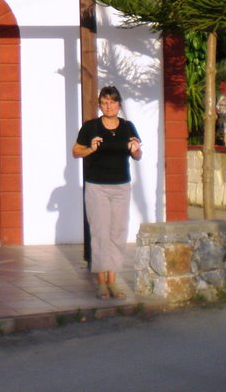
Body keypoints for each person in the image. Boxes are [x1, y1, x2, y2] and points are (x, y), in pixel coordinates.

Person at [71, 85, 142, 299]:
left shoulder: (128, 127)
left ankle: (113, 280)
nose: (108, 106)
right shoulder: (91, 127)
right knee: (100, 233)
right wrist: (91, 148)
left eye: (112, 101)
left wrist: (135, 149)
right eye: (104, 102)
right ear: (100, 104)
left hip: (121, 186)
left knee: (118, 233)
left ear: (119, 104)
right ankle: (101, 281)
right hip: (97, 186)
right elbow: (76, 151)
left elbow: (138, 155)